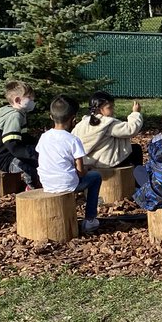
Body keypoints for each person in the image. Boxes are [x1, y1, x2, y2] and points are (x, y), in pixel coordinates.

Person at [37, 96, 102, 234]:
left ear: (51, 116)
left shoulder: (44, 137)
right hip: (67, 185)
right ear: (73, 119)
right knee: (95, 177)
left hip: (47, 183)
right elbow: (80, 171)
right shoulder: (73, 140)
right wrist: (86, 169)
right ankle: (90, 219)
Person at [74, 91, 143, 169]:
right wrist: (135, 113)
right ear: (99, 109)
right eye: (110, 107)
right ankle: (137, 179)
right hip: (108, 162)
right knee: (136, 149)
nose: (113, 110)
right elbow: (131, 129)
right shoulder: (108, 124)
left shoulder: (82, 124)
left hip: (87, 161)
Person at [0, 80, 39, 188]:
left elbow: (24, 137)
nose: (33, 101)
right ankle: (32, 188)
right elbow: (11, 144)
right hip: (6, 158)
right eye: (30, 98)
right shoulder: (15, 117)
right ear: (18, 100)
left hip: (13, 154)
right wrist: (31, 155)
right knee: (29, 169)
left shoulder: (20, 114)